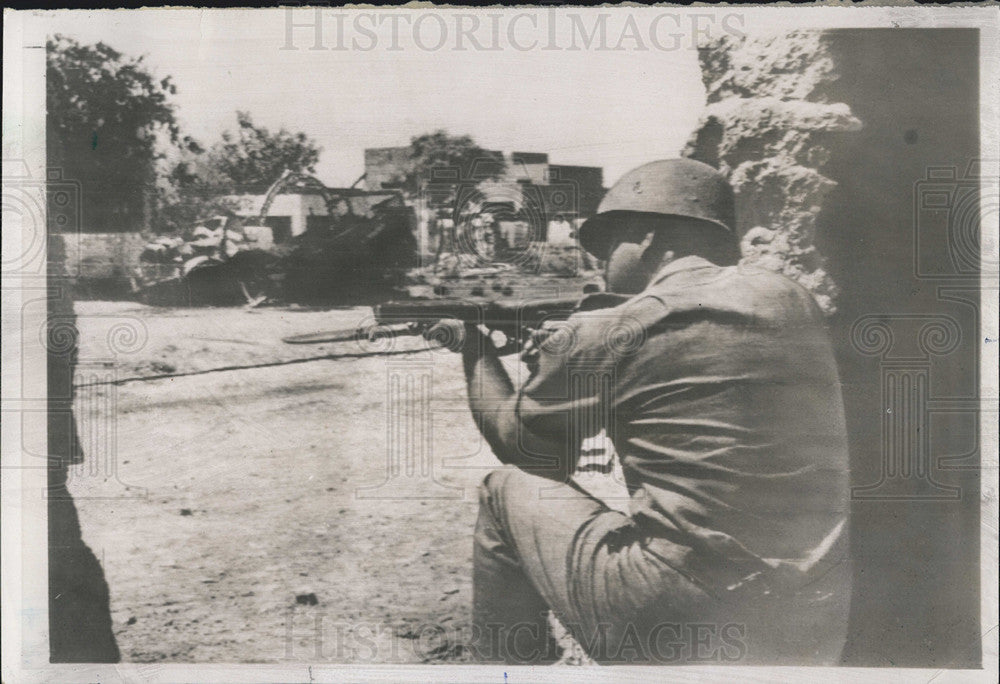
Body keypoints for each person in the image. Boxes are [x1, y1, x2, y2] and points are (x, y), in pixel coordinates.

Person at [426, 159, 851, 665]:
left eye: (607, 247)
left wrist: (473, 344)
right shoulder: (794, 300)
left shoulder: (610, 328)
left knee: (504, 490)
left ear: (648, 237)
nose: (599, 266)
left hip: (682, 616)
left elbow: (532, 453)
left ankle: (507, 671)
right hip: (818, 610)